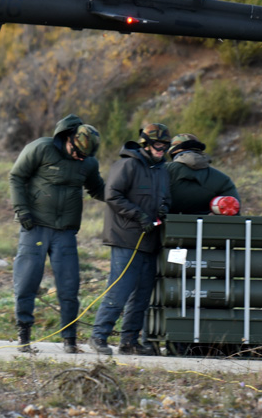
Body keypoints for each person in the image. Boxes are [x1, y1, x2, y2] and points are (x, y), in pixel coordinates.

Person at [9, 114, 105, 354]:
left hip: (65, 232)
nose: (79, 158)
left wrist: (124, 198)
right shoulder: (41, 149)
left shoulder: (88, 163)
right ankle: (24, 337)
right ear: (69, 139)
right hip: (35, 227)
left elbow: (98, 189)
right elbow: (16, 177)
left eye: (84, 156)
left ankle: (70, 340)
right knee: (26, 283)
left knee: (69, 287)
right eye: (77, 153)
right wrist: (22, 211)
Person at [89, 122, 171, 356]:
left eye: (165, 145)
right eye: (157, 144)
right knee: (119, 290)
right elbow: (111, 195)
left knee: (142, 295)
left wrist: (164, 209)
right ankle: (98, 337)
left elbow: (166, 198)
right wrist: (139, 215)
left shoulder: (162, 170)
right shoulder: (127, 164)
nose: (161, 148)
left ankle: (129, 342)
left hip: (150, 240)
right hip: (126, 239)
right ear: (145, 143)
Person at [165, 133, 241, 215]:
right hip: (203, 227)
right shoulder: (223, 180)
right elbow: (234, 215)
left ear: (172, 152)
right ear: (199, 150)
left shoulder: (162, 170)